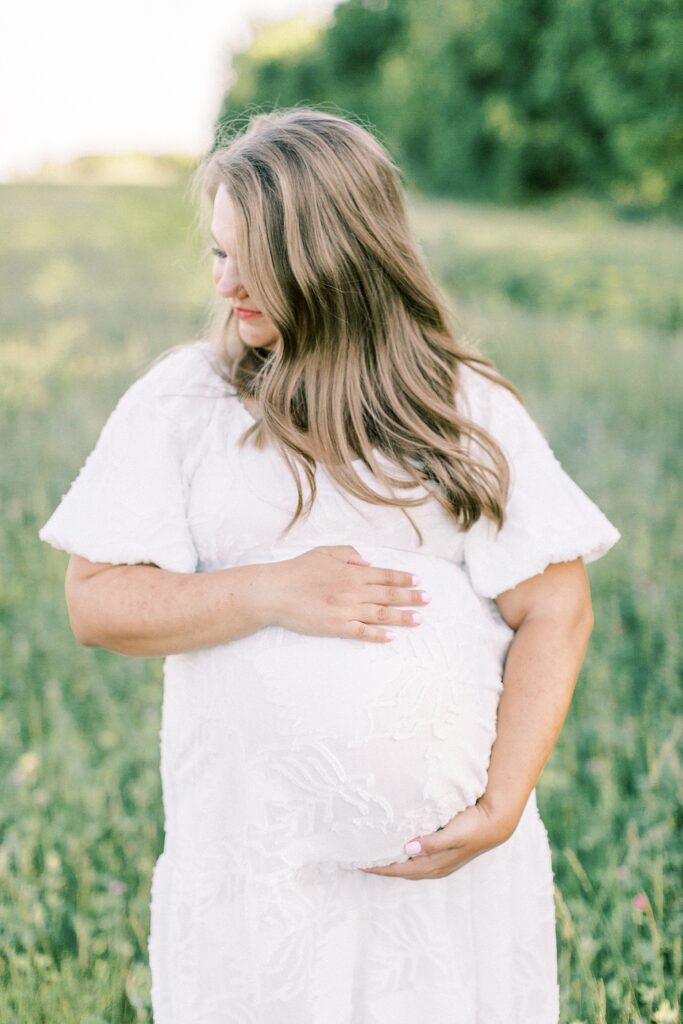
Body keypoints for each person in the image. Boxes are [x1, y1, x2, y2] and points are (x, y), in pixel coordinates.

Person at [38, 108, 621, 1023]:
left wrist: (501, 805)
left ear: (333, 252)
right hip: (257, 876)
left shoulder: (459, 408)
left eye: (248, 258)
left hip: (443, 892)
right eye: (216, 254)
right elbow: (97, 604)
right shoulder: (186, 402)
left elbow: (556, 608)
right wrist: (271, 590)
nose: (224, 285)